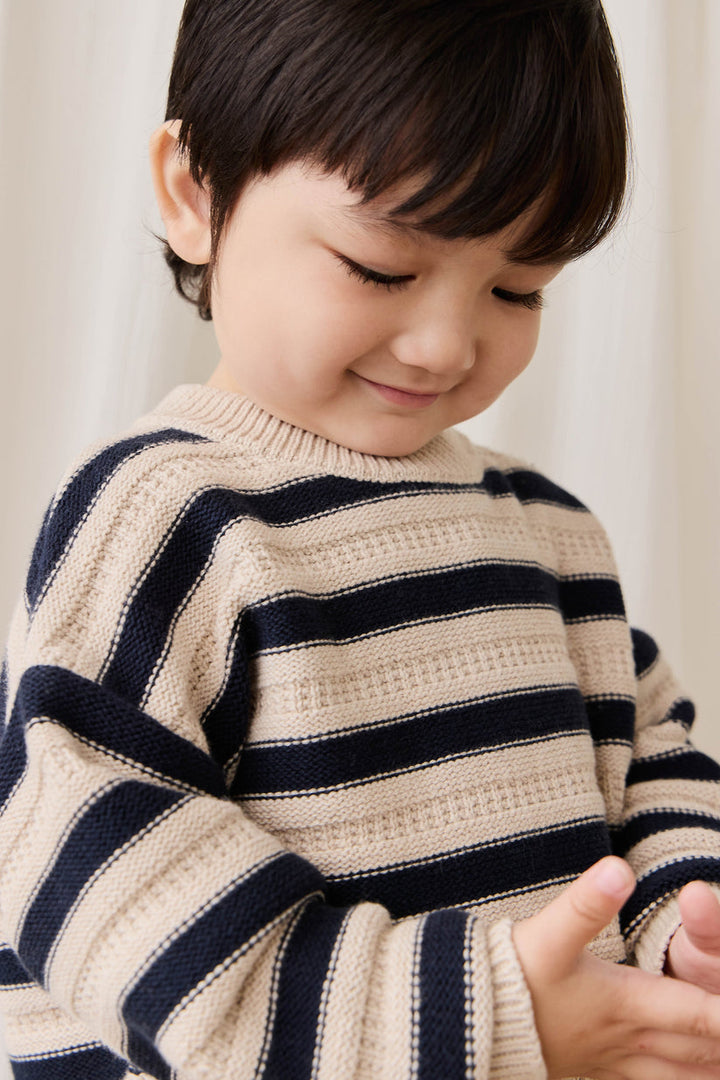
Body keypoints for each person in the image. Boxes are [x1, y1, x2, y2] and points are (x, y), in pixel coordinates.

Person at [2, 1, 720, 1077]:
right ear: (193, 195)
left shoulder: (549, 534)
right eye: (381, 268)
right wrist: (493, 1018)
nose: (444, 343)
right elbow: (96, 872)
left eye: (516, 289)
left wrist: (683, 916)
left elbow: (655, 758)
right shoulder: (168, 514)